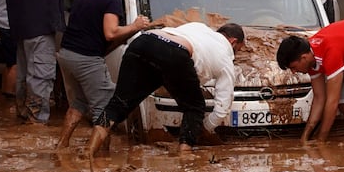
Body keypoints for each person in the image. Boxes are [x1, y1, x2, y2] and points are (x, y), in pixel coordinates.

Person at [87, 21, 246, 154]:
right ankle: (185, 158)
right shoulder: (226, 59)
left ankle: (89, 154)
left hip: (143, 41)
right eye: (238, 50)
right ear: (232, 42)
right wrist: (206, 128)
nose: (236, 54)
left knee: (118, 103)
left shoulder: (199, 28)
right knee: (195, 108)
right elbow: (223, 105)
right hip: (175, 53)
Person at [56, 0, 153, 148]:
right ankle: (98, 157)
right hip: (86, 59)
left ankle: (62, 146)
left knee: (79, 102)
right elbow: (110, 32)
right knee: (107, 108)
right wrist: (135, 26)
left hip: (66, 54)